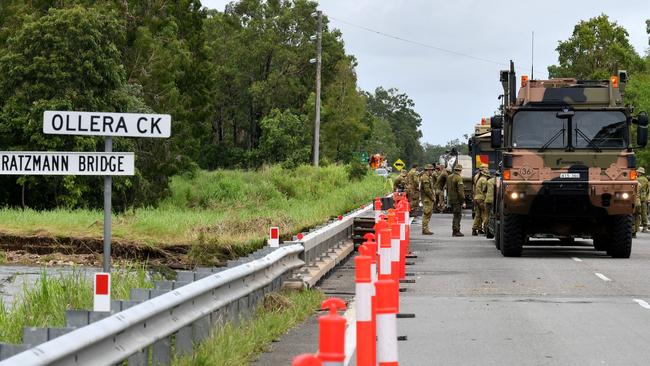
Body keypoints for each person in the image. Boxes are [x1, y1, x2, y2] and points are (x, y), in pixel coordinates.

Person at [447, 164, 465, 237]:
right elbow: (460, 191)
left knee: (455, 214)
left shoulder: (449, 177)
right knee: (458, 215)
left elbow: (447, 188)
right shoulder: (459, 178)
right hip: (457, 199)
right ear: (460, 170)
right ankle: (456, 231)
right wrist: (463, 200)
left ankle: (455, 230)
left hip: (451, 198)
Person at [472, 166, 489, 236]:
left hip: (476, 198)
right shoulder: (484, 180)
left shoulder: (478, 178)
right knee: (485, 214)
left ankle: (475, 229)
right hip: (481, 199)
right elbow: (484, 191)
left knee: (477, 215)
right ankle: (486, 229)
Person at [420, 164, 435, 235]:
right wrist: (432, 197)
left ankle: (425, 228)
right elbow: (427, 189)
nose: (432, 171)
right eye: (431, 170)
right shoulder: (425, 178)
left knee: (428, 214)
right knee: (426, 213)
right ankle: (425, 229)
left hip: (428, 198)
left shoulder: (428, 177)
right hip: (427, 199)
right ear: (428, 170)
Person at [635, 167, 649, 235]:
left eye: (638, 172)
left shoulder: (637, 179)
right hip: (644, 198)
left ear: (640, 173)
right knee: (644, 213)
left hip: (637, 198)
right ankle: (645, 227)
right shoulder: (646, 180)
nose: (637, 173)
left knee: (636, 213)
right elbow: (647, 190)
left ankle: (635, 228)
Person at [485, 170, 497, 236]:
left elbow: (484, 190)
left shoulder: (489, 181)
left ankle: (486, 229)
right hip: (494, 200)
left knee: (487, 215)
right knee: (493, 215)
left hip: (487, 199)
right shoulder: (498, 181)